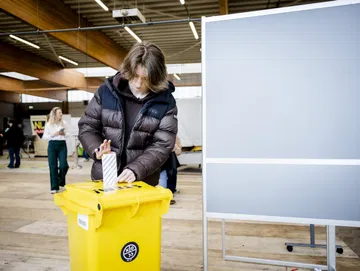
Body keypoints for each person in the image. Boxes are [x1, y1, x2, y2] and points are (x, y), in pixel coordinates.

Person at [78, 41, 178, 186]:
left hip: (142, 181)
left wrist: (136, 169)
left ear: (157, 77)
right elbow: (87, 126)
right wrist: (96, 149)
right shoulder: (106, 92)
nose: (138, 84)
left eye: (145, 79)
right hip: (105, 178)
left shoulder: (166, 102)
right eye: (134, 76)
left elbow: (162, 145)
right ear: (128, 70)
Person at [43, 107, 69, 194]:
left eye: (61, 113)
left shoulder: (64, 123)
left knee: (64, 166)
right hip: (52, 145)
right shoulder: (49, 124)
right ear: (54, 114)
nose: (61, 114)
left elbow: (69, 134)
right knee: (53, 166)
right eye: (59, 113)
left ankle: (60, 183)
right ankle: (54, 187)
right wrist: (53, 134)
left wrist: (64, 133)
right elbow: (44, 137)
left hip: (62, 145)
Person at [159, 135, 182, 204]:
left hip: (169, 157)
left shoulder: (175, 136)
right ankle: (164, 196)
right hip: (160, 155)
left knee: (170, 174)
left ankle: (167, 193)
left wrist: (175, 147)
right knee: (163, 174)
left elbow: (179, 151)